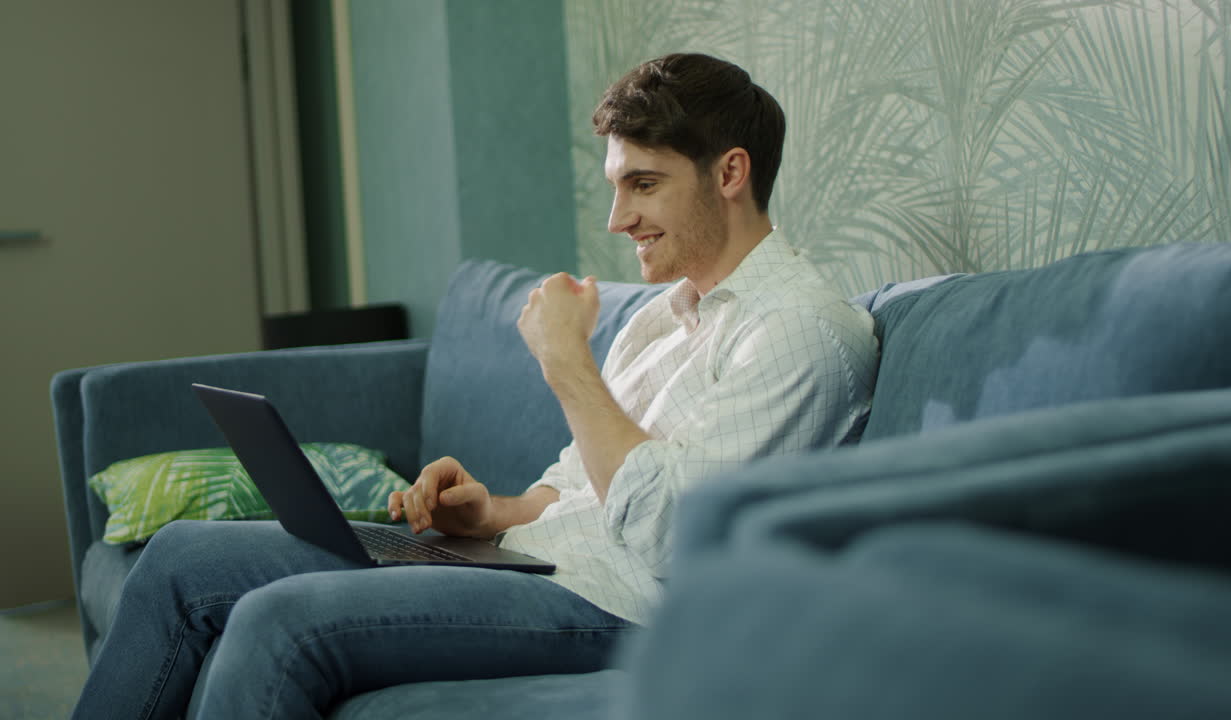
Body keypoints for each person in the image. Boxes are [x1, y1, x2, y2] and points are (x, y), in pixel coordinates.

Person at [71, 52, 878, 719]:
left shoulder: (802, 332)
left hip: (626, 609)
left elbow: (673, 543)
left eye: (643, 184)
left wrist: (567, 363)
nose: (615, 219)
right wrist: (492, 512)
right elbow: (573, 489)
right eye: (614, 185)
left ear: (730, 172)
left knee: (279, 622)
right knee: (180, 557)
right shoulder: (665, 319)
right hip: (531, 565)